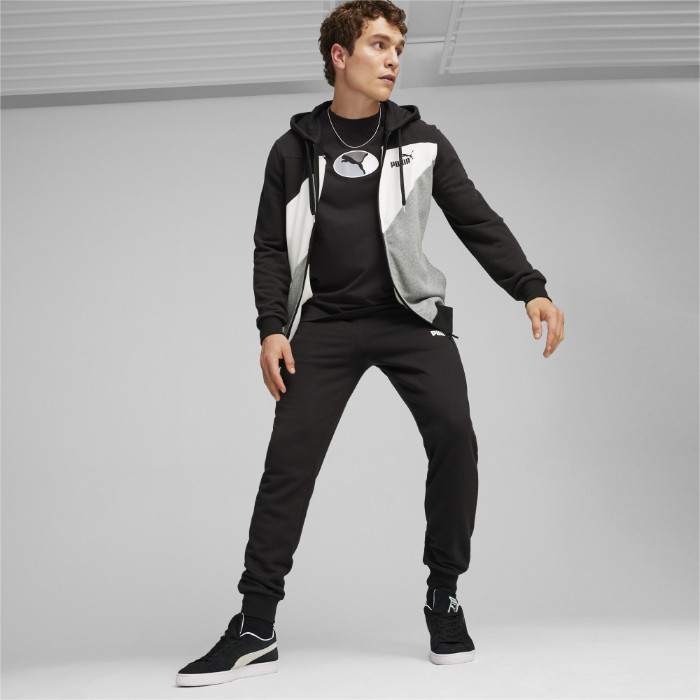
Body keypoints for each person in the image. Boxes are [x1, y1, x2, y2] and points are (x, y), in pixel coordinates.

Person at [176, 0, 565, 687]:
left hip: (410, 319)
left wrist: (528, 287)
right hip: (327, 323)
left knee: (455, 437)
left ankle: (444, 595)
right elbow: (271, 247)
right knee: (288, 464)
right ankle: (255, 626)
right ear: (339, 55)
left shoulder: (423, 141)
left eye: (399, 49)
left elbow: (475, 218)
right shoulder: (293, 150)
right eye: (379, 45)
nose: (393, 60)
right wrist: (272, 327)